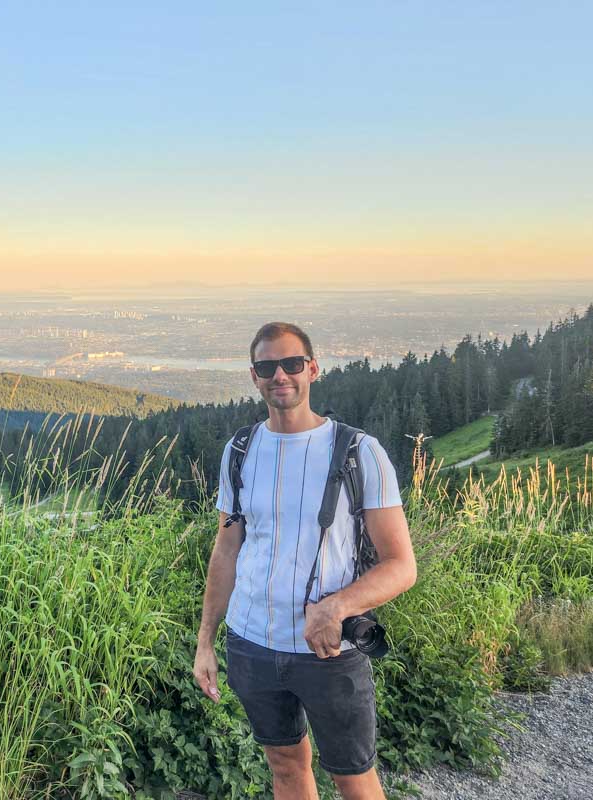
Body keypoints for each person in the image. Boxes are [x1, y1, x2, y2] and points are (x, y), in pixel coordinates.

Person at [192, 322, 417, 800]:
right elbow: (226, 549)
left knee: (354, 778)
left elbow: (401, 564)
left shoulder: (360, 453)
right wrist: (205, 641)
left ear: (312, 369)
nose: (280, 375)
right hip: (251, 643)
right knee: (285, 766)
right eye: (266, 367)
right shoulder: (240, 451)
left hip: (329, 652)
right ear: (254, 376)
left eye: (292, 363)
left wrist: (337, 608)